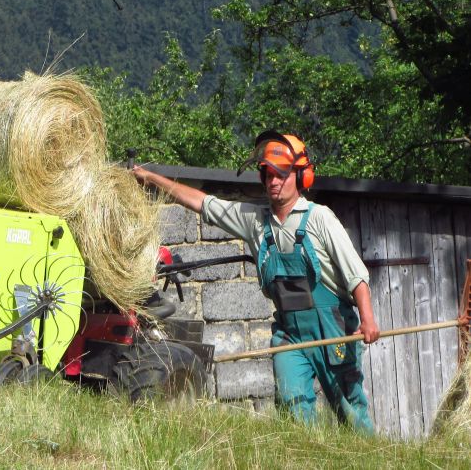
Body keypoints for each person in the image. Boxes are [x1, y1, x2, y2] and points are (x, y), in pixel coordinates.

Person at [132, 130, 380, 432]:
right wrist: (153, 179)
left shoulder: (320, 219)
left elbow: (356, 274)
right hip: (290, 334)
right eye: (267, 175)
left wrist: (367, 318)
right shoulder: (255, 222)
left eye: (281, 174)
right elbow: (204, 203)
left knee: (349, 409)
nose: (273, 181)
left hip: (332, 328)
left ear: (301, 177)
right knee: (293, 409)